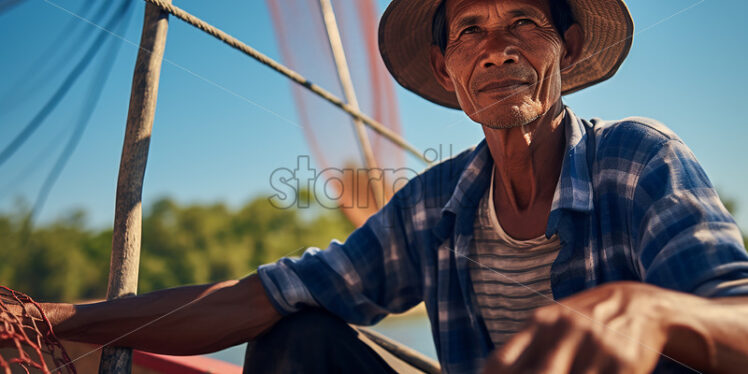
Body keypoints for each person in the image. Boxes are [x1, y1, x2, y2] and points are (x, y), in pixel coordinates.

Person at [27, 0, 748, 372]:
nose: (498, 47)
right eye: (470, 30)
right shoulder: (436, 206)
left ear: (569, 46)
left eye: (525, 21)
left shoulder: (637, 158)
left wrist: (648, 312)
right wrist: (58, 319)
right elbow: (262, 295)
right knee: (296, 340)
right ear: (446, 72)